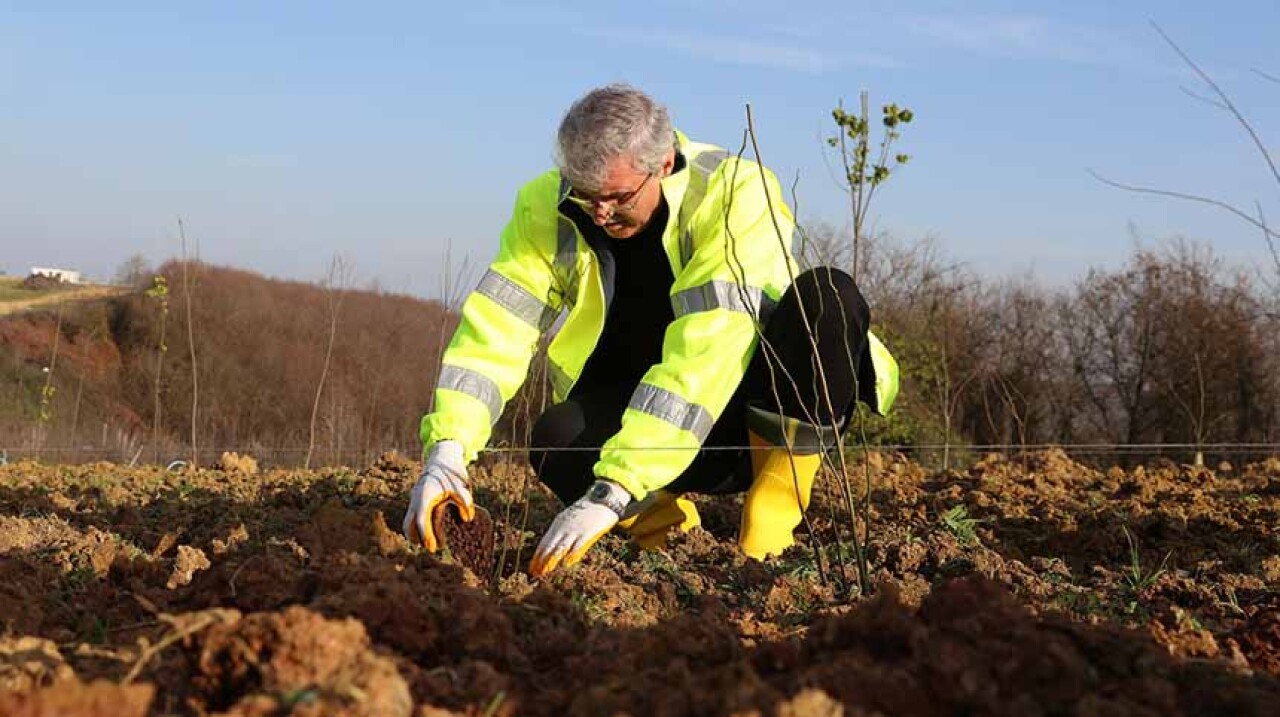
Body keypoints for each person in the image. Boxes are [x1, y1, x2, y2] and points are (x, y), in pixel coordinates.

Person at [402, 84, 898, 577]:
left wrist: (616, 484)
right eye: (585, 194)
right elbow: (498, 328)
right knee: (557, 438)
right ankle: (666, 530)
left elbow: (711, 348)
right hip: (641, 418)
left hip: (746, 423)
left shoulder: (736, 191)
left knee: (828, 297)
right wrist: (447, 451)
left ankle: (771, 514)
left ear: (662, 163)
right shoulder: (544, 206)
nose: (600, 212)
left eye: (616, 196)